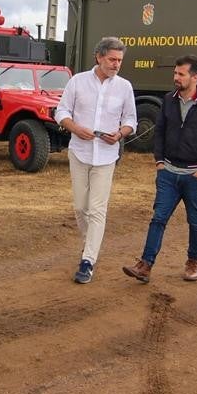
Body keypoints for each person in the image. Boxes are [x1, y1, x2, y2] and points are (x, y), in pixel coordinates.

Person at [123, 55, 197, 284]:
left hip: (194, 175)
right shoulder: (169, 100)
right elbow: (159, 132)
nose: (176, 78)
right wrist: (159, 161)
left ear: (195, 77)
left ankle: (192, 262)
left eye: (181, 74)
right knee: (158, 218)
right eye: (175, 73)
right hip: (168, 172)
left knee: (195, 220)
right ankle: (145, 265)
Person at [55, 37, 138, 284]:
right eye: (112, 59)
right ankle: (89, 243)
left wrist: (120, 134)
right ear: (99, 57)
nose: (116, 65)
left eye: (120, 60)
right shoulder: (77, 81)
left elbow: (131, 119)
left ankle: (88, 261)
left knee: (97, 209)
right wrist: (75, 128)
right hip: (79, 152)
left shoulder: (125, 87)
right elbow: (61, 111)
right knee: (81, 207)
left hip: (107, 156)